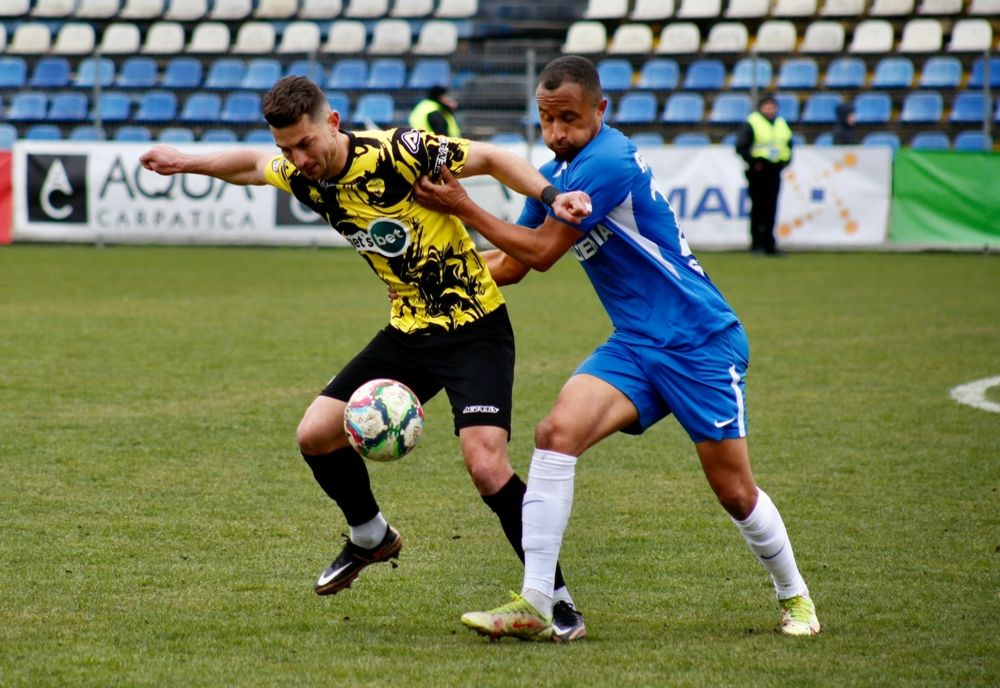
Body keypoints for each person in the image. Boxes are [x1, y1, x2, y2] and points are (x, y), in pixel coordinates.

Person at [138, 75, 592, 641]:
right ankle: (372, 536)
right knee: (315, 433)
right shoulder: (303, 173)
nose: (298, 159)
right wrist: (185, 161)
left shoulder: (398, 152)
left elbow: (496, 158)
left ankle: (557, 599)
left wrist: (552, 197)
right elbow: (252, 165)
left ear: (333, 123)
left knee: (485, 464)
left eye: (305, 144)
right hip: (406, 333)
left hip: (473, 326)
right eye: (288, 149)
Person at [414, 55, 820, 641]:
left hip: (698, 341)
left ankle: (796, 596)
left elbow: (541, 252)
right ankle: (538, 603)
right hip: (634, 345)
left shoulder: (606, 161)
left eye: (569, 119)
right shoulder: (560, 169)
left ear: (600, 111)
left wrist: (463, 207)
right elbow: (510, 261)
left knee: (734, 490)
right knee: (556, 433)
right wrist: (426, 271)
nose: (557, 134)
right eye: (547, 120)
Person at [735, 94, 792, 257]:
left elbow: (788, 145)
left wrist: (786, 161)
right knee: (759, 208)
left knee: (771, 208)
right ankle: (757, 244)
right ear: (761, 108)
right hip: (758, 171)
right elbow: (741, 147)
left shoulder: (781, 123)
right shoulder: (752, 123)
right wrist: (755, 162)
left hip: (775, 170)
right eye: (767, 106)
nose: (770, 109)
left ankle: (770, 243)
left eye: (773, 106)